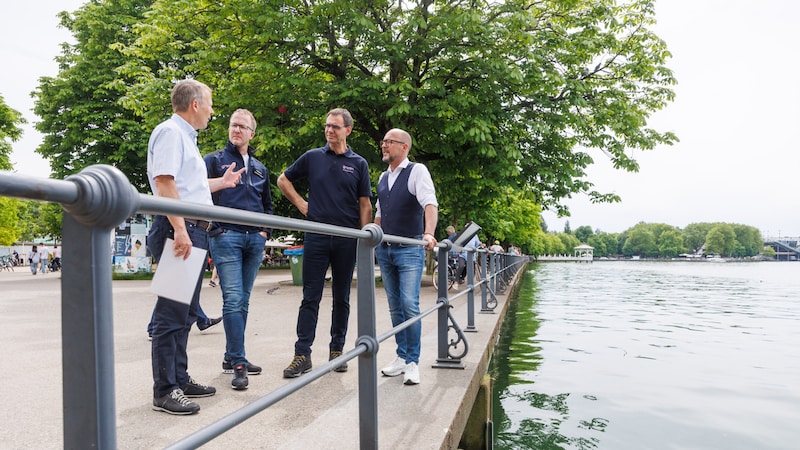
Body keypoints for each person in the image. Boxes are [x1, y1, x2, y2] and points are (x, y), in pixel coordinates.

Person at [146, 79, 243, 415]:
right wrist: (179, 229)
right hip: (181, 229)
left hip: (193, 229)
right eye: (211, 102)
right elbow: (164, 182)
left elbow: (190, 186)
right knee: (170, 314)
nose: (213, 110)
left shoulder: (185, 138)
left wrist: (222, 182)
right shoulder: (171, 133)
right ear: (195, 104)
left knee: (186, 313)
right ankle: (165, 389)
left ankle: (179, 378)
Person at [277, 108, 372, 378]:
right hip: (317, 236)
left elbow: (365, 204)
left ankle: (337, 351)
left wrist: (363, 238)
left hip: (346, 239)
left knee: (341, 297)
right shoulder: (313, 157)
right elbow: (283, 180)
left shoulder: (359, 163)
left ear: (348, 130)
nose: (330, 130)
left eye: (336, 127)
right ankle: (302, 354)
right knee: (311, 297)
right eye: (327, 126)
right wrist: (302, 204)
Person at [204, 108, 273, 390]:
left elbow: (267, 205)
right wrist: (214, 227)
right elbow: (199, 194)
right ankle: (239, 363)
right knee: (233, 299)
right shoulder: (214, 161)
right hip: (226, 236)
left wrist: (264, 232)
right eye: (233, 125)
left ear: (251, 133)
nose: (237, 130)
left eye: (243, 127)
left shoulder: (260, 168)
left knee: (243, 300)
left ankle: (230, 355)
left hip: (253, 240)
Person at [374, 128, 438, 385]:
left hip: (409, 249)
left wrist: (429, 233)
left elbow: (429, 204)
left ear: (404, 147)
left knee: (409, 305)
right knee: (394, 305)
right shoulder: (382, 177)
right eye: (383, 141)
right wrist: (372, 235)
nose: (384, 146)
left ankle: (412, 362)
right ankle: (401, 356)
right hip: (385, 249)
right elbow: (380, 212)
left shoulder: (417, 171)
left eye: (390, 142)